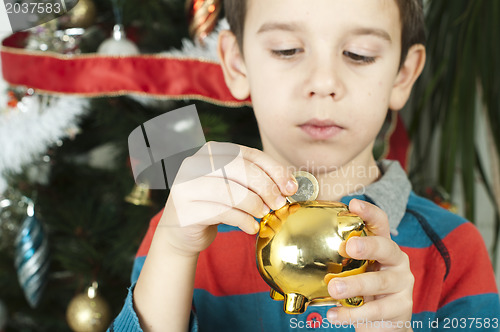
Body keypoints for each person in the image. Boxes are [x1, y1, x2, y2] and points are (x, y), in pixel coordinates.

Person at [109, 0, 500, 331]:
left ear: (403, 74)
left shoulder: (454, 250)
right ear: (237, 64)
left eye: (359, 54)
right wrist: (175, 251)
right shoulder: (181, 234)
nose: (324, 81)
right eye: (286, 49)